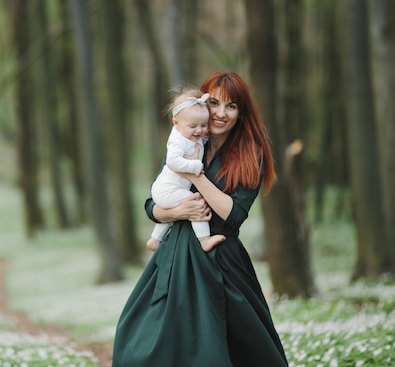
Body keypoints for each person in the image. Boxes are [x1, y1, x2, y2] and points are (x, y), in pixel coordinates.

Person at [112, 71, 289, 367]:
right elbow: (151, 205)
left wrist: (196, 175)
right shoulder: (188, 138)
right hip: (173, 257)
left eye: (231, 106)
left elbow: (232, 215)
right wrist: (176, 212)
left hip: (221, 259)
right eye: (215, 104)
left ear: (241, 113)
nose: (220, 113)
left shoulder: (251, 154)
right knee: (143, 343)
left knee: (225, 349)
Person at [147, 86, 226, 252]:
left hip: (167, 189)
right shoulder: (177, 141)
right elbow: (173, 162)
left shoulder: (187, 134)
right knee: (196, 203)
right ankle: (204, 240)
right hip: (167, 189)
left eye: (204, 125)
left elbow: (200, 142)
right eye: (193, 126)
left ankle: (155, 239)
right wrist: (195, 166)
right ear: (176, 123)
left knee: (174, 213)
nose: (199, 130)